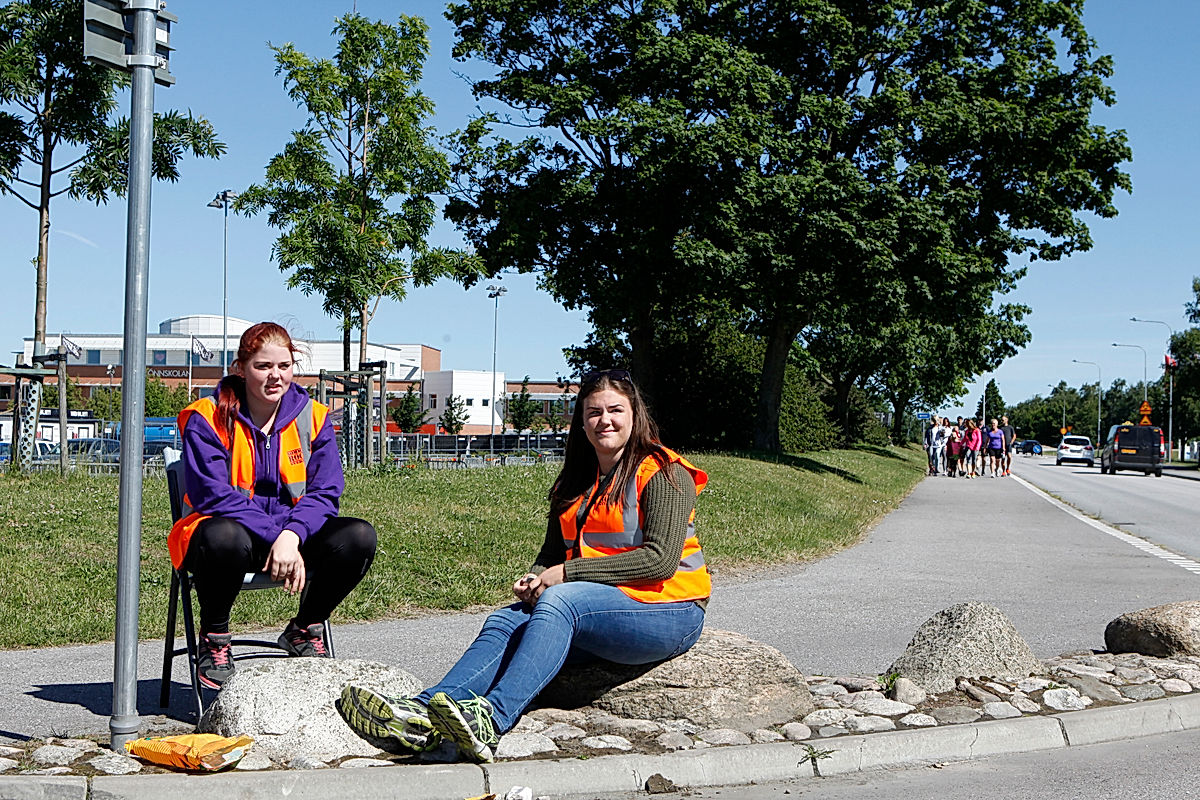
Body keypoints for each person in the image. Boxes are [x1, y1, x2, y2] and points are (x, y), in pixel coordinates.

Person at [339, 369, 710, 763]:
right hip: (603, 604)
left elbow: (660, 561)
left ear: (635, 414)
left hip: (670, 610)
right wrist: (537, 577)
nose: (605, 421)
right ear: (581, 421)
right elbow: (553, 553)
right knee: (507, 619)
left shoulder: (665, 472)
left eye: (615, 410)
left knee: (560, 603)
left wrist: (564, 576)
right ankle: (423, 713)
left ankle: (491, 721)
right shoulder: (574, 481)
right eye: (593, 412)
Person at [168, 322, 377, 690]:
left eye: (284, 365)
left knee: (359, 536)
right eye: (263, 366)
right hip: (226, 541)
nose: (275, 376)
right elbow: (211, 494)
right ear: (240, 368)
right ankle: (214, 639)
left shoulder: (313, 416)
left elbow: (326, 491)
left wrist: (292, 535)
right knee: (223, 536)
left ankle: (303, 629)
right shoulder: (207, 415)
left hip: (291, 540)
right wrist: (277, 536)